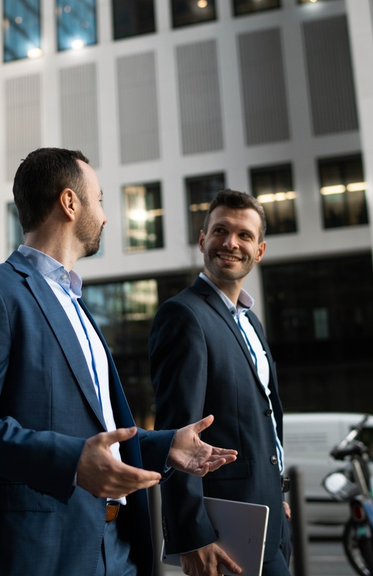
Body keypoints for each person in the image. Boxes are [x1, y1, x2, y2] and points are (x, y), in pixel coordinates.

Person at [0, 148, 238, 576]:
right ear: (69, 202)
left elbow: (91, 428)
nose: (106, 217)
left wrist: (164, 446)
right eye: (99, 200)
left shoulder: (77, 305)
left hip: (116, 547)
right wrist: (72, 462)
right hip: (37, 554)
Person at [149, 189, 291, 576]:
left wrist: (274, 490)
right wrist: (191, 535)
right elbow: (176, 432)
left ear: (259, 251)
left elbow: (262, 420)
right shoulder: (183, 315)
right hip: (224, 532)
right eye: (220, 231)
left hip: (270, 519)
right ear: (202, 240)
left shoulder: (251, 322)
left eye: (244, 235)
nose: (231, 243)